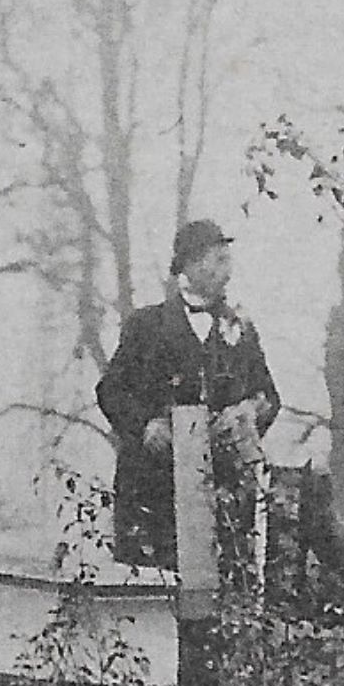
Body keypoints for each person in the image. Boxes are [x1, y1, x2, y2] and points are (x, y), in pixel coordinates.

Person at [96, 219, 280, 570]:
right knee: (150, 593)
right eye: (218, 259)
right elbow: (111, 390)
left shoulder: (240, 329)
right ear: (191, 264)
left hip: (221, 492)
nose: (227, 270)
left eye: (228, 260)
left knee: (221, 596)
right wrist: (145, 426)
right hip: (153, 487)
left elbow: (269, 395)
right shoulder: (147, 325)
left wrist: (250, 412)